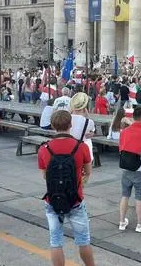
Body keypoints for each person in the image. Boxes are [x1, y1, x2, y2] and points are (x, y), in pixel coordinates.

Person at [37, 111, 95, 266]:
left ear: (53, 126)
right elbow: (88, 172)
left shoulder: (44, 148)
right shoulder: (81, 147)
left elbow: (45, 176)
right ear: (70, 125)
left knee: (55, 241)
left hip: (53, 200)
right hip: (75, 199)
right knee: (83, 241)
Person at [118, 107, 141, 233]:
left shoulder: (125, 131)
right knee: (139, 197)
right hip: (140, 169)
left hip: (126, 168)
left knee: (124, 195)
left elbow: (120, 148)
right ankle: (139, 224)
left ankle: (122, 222)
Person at [70, 93, 95, 162]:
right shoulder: (89, 122)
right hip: (83, 148)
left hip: (69, 147)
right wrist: (87, 115)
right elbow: (90, 133)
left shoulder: (66, 118)